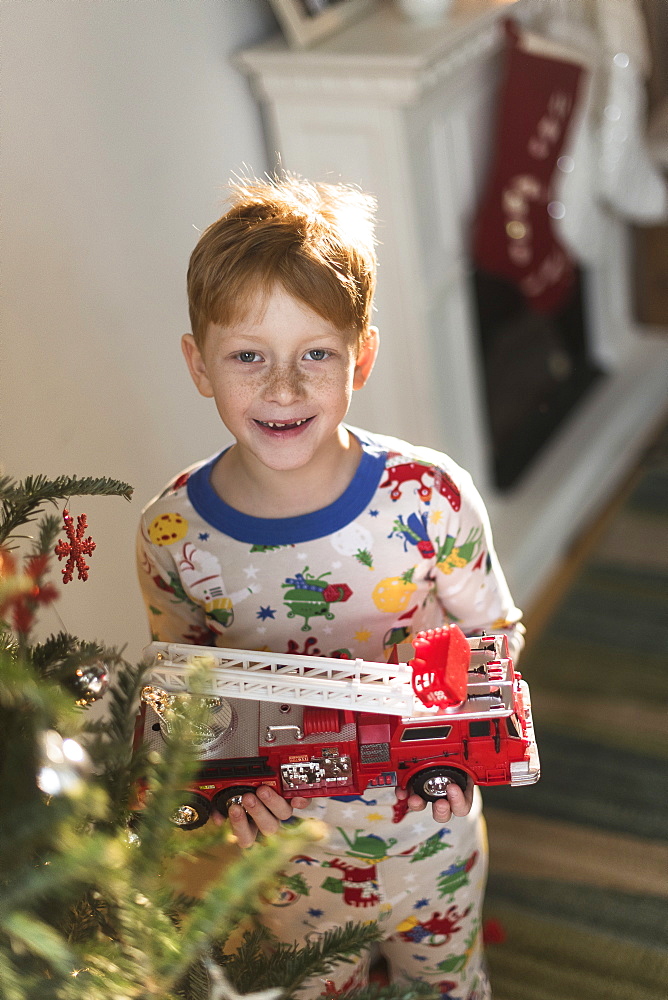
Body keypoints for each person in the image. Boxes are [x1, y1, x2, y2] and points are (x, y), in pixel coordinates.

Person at [137, 175, 524, 1000]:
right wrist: (215, 804)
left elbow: (496, 636)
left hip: (433, 844)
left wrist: (462, 738)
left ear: (363, 358)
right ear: (199, 364)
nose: (284, 388)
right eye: (249, 356)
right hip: (288, 868)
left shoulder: (430, 498)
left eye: (317, 353)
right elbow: (184, 703)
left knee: (447, 987)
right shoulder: (172, 534)